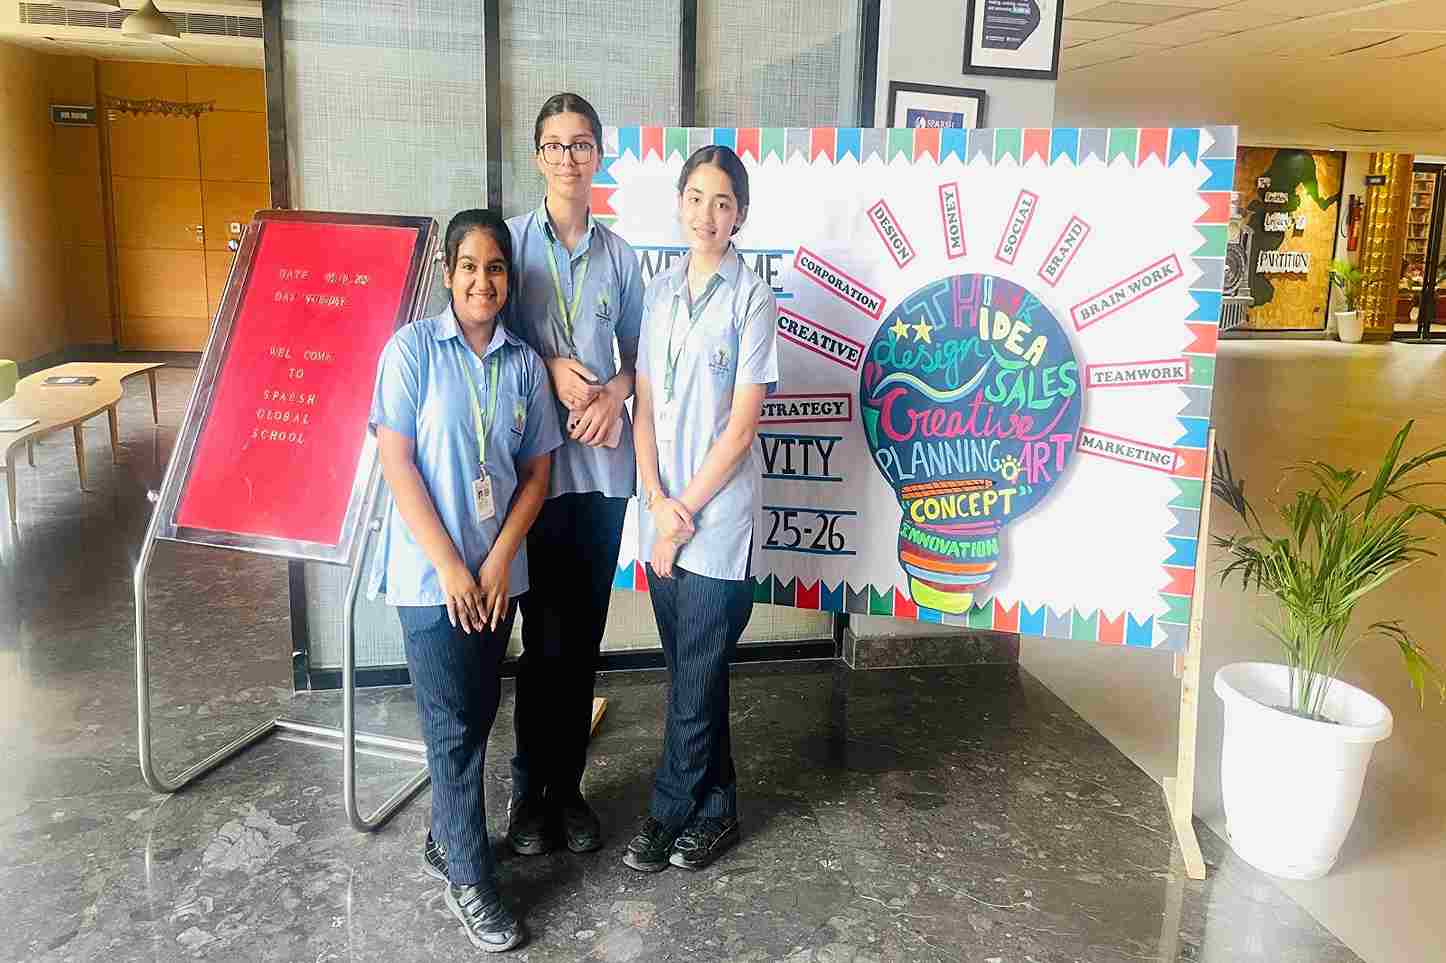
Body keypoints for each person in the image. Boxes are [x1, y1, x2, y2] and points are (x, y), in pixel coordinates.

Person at [369, 208, 562, 953]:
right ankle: (471, 880)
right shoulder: (412, 350)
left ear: (510, 278)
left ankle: (446, 834)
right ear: (446, 273)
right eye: (470, 266)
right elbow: (397, 462)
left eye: (496, 268)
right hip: (431, 579)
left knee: (478, 714)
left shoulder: (524, 365)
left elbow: (537, 473)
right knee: (452, 726)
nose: (484, 281)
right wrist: (452, 566)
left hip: (494, 577)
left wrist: (496, 560)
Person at [624, 145, 779, 873]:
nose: (706, 214)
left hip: (716, 524)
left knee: (693, 676)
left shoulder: (753, 299)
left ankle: (666, 812)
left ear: (739, 214)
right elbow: (644, 404)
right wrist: (656, 500)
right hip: (663, 514)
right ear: (680, 203)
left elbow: (741, 428)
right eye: (695, 198)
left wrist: (681, 509)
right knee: (697, 673)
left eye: (722, 202)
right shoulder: (657, 293)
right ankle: (718, 812)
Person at [504, 92, 644, 856]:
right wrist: (548, 365)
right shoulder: (510, 243)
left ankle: (569, 788)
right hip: (535, 473)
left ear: (598, 156)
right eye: (555, 144)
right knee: (541, 640)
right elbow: (486, 336)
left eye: (581, 143)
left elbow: (641, 359)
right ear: (537, 156)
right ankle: (528, 793)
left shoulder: (620, 256)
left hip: (601, 470)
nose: (568, 157)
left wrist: (617, 394)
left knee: (583, 636)